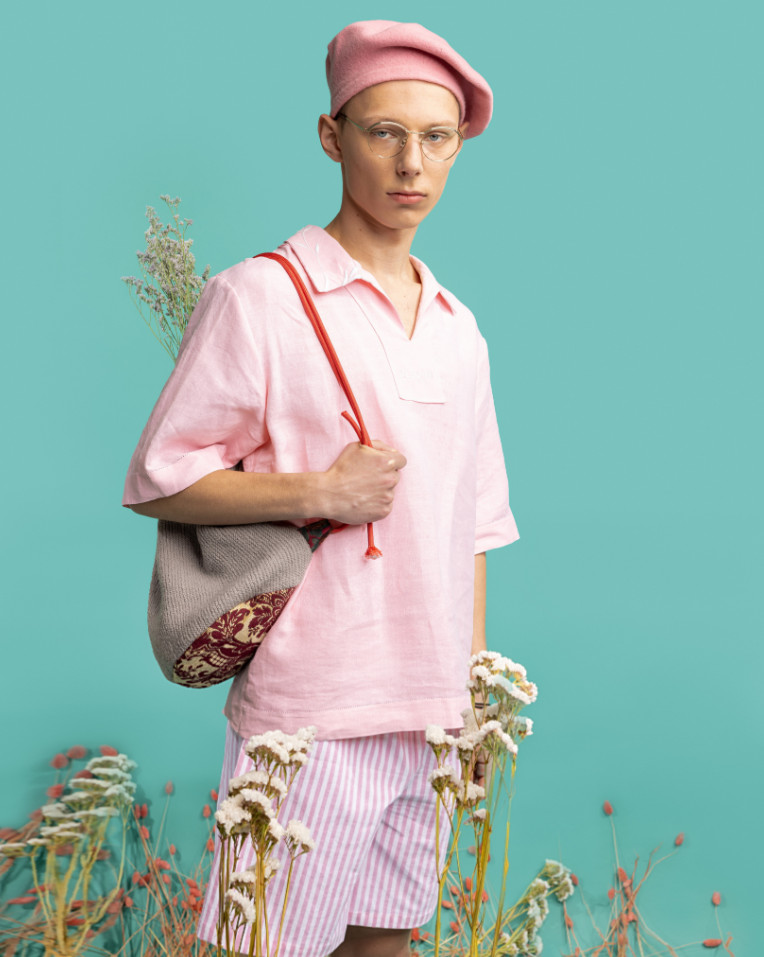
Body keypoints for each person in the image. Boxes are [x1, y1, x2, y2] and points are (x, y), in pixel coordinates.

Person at [122, 19, 519, 957]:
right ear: (332, 136)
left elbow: (473, 527)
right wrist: (320, 493)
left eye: (437, 137)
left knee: (387, 943)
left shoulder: (459, 326)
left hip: (427, 705)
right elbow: (159, 478)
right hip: (310, 703)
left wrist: (468, 698)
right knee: (264, 943)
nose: (412, 163)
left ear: (458, 150)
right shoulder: (259, 297)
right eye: (385, 132)